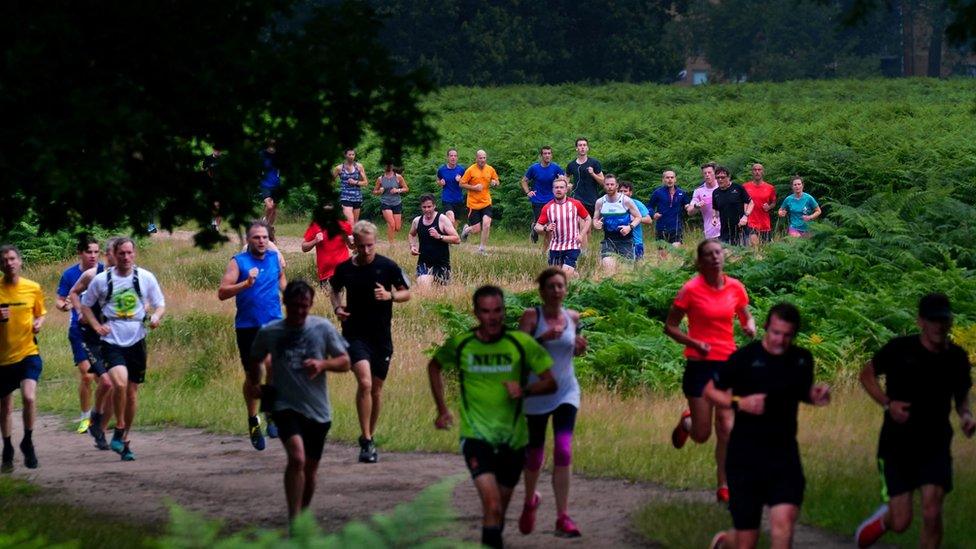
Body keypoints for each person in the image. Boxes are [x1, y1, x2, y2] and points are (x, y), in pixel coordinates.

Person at [428, 285, 556, 549]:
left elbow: (551, 382)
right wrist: (442, 408)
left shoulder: (521, 344)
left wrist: (525, 390)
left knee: (498, 513)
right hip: (476, 436)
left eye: (497, 310)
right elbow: (434, 366)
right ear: (476, 313)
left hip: (514, 439)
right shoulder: (462, 344)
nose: (493, 317)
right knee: (492, 504)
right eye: (486, 312)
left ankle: (493, 534)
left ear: (504, 312)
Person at [703, 303, 831, 549]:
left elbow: (802, 391)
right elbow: (710, 391)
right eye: (775, 333)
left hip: (783, 455)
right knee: (746, 541)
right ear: (765, 328)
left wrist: (815, 395)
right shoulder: (745, 358)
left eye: (787, 335)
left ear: (794, 335)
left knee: (784, 525)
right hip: (745, 457)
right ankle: (725, 542)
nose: (779, 340)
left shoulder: (802, 359)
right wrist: (739, 402)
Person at [854, 293, 974, 548]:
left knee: (932, 513)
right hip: (897, 445)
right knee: (901, 521)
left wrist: (966, 416)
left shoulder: (957, 358)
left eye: (943, 320)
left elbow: (962, 395)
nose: (939, 326)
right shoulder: (900, 349)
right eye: (933, 320)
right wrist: (888, 403)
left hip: (936, 445)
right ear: (921, 321)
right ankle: (880, 522)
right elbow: (866, 374)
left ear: (950, 322)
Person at [246, 280, 351, 522]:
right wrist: (256, 383)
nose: (300, 311)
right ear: (285, 304)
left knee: (310, 471)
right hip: (284, 406)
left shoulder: (322, 328)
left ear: (311, 304)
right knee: (297, 458)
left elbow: (345, 362)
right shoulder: (270, 332)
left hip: (318, 410)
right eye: (294, 306)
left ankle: (302, 516)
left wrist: (323, 364)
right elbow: (255, 359)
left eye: (304, 306)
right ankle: (294, 520)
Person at [664, 239, 756, 503]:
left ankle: (724, 485)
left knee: (727, 427)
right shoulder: (690, 290)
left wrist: (750, 326)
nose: (715, 257)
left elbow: (745, 314)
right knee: (702, 435)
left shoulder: (735, 287)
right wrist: (694, 343)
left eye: (718, 253)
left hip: (728, 365)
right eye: (709, 254)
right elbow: (670, 327)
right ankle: (688, 422)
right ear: (700, 262)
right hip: (700, 365)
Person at [330, 221, 410, 463]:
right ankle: (365, 439)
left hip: (381, 337)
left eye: (371, 246)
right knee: (364, 383)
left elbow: (406, 292)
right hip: (354, 333)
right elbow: (334, 290)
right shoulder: (344, 268)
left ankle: (370, 436)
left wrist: (390, 296)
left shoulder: (387, 266)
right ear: (354, 243)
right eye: (362, 246)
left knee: (375, 389)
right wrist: (337, 307)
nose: (366, 251)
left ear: (376, 243)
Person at [80, 238, 166, 461]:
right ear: (114, 255)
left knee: (132, 392)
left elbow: (160, 303)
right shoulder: (101, 280)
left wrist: (155, 316)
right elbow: (86, 305)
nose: (126, 258)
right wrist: (97, 325)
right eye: (121, 254)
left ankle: (124, 438)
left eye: (129, 253)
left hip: (137, 339)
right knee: (119, 383)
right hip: (112, 340)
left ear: (134, 254)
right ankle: (117, 427)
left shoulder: (145, 277)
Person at [517, 268, 588, 538]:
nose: (557, 291)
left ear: (566, 289)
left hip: (566, 391)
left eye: (561, 286)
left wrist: (580, 348)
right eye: (551, 286)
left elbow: (574, 351)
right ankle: (529, 501)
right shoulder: (531, 317)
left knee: (564, 449)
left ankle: (562, 516)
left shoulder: (573, 318)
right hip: (536, 393)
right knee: (535, 454)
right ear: (542, 291)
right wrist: (540, 339)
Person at [218, 220, 287, 451]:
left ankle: (270, 412)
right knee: (254, 377)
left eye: (265, 238)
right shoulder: (239, 262)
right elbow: (222, 292)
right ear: (248, 239)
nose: (261, 241)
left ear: (270, 240)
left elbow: (282, 282)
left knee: (273, 365)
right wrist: (245, 284)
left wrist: (292, 296)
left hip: (273, 323)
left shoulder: (274, 258)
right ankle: (252, 419)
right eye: (256, 237)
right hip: (248, 327)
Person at [68, 236, 120, 451]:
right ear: (108, 255)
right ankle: (93, 419)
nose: (118, 258)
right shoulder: (92, 274)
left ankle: (100, 429)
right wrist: (81, 312)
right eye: (114, 254)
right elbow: (73, 292)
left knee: (115, 385)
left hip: (113, 338)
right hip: (89, 337)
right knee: (105, 383)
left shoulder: (128, 277)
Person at [0, 244, 46, 471]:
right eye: (4, 260)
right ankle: (7, 448)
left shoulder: (33, 288)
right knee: (5, 405)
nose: (9, 263)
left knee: (29, 397)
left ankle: (28, 441)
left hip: (28, 352)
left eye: (12, 259)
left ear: (19, 261)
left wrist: (38, 323)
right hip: (2, 359)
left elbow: (40, 314)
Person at [56, 235, 104, 434]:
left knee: (103, 378)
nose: (93, 256)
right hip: (78, 331)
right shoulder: (69, 275)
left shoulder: (104, 271)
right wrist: (65, 306)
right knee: (86, 375)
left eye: (96, 252)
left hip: (102, 330)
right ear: (80, 253)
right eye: (88, 252)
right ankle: (85, 418)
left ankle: (100, 415)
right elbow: (59, 301)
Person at [534, 176, 591, 276]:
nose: (559, 190)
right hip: (555, 247)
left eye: (561, 187)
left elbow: (588, 219)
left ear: (566, 189)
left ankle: (572, 276)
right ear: (552, 190)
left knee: (565, 274)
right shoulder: (548, 207)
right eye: (556, 188)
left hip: (572, 245)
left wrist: (581, 235)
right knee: (556, 276)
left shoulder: (575, 204)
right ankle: (577, 278)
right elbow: (537, 226)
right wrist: (545, 228)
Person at [591, 174, 642, 273]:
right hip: (608, 240)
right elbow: (595, 218)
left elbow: (638, 217)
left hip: (626, 240)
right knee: (608, 269)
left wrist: (629, 227)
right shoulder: (600, 202)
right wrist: (596, 224)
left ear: (616, 186)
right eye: (607, 184)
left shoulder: (626, 200)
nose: (609, 186)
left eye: (612, 184)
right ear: (604, 186)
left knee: (626, 273)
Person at [408, 194, 460, 287]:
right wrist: (413, 246)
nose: (427, 209)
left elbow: (457, 239)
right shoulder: (417, 221)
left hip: (441, 265)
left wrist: (440, 236)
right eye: (424, 207)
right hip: (424, 263)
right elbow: (411, 234)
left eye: (429, 207)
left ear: (434, 206)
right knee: (424, 287)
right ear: (421, 207)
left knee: (440, 291)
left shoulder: (442, 219)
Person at [458, 150, 500, 255]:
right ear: (476, 158)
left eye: (484, 158)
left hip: (486, 202)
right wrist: (474, 187)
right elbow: (461, 184)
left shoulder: (490, 169)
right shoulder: (471, 170)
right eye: (480, 158)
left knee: (486, 224)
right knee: (476, 229)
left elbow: (497, 180)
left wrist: (495, 183)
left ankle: (481, 249)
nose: (482, 160)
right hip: (473, 204)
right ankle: (466, 230)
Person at [520, 146, 565, 244]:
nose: (547, 155)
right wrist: (528, 192)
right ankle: (534, 229)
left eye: (549, 153)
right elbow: (524, 181)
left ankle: (549, 245)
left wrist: (563, 180)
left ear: (551, 155)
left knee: (551, 222)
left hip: (552, 199)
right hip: (538, 199)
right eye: (545, 153)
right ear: (541, 156)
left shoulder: (556, 168)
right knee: (539, 222)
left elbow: (564, 181)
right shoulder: (534, 168)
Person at [301, 211, 353, 289]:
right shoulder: (316, 225)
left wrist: (347, 239)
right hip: (325, 274)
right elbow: (304, 247)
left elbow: (352, 246)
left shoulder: (344, 224)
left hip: (343, 272)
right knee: (327, 299)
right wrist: (315, 241)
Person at [711, 166, 753, 246]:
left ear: (729, 177)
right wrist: (714, 218)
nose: (720, 180)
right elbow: (715, 208)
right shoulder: (715, 193)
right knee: (727, 256)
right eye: (718, 178)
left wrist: (746, 216)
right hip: (725, 232)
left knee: (743, 255)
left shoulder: (738, 188)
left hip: (741, 229)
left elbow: (751, 203)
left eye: (723, 177)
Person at [648, 170, 691, 247]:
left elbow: (687, 205)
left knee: (675, 252)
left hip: (676, 228)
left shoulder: (681, 193)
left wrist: (692, 207)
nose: (670, 179)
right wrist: (653, 214)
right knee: (662, 256)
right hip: (661, 228)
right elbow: (649, 207)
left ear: (675, 179)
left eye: (672, 177)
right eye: (667, 177)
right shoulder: (657, 193)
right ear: (663, 179)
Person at [565, 137, 604, 219]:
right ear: (576, 148)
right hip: (577, 199)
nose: (582, 147)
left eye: (584, 145)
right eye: (580, 145)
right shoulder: (571, 165)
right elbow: (566, 179)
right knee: (580, 225)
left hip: (591, 199)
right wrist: (566, 185)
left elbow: (603, 182)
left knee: (590, 227)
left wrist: (593, 174)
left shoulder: (594, 163)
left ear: (587, 148)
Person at [373, 164, 409, 246]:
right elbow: (374, 191)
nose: (388, 167)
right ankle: (392, 245)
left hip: (397, 203)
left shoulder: (398, 177)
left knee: (397, 228)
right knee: (391, 224)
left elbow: (406, 188)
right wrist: (379, 191)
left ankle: (393, 226)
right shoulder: (380, 179)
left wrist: (398, 190)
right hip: (385, 203)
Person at [742, 163, 776, 246]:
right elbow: (741, 202)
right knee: (755, 247)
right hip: (750, 222)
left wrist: (769, 207)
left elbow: (774, 202)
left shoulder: (770, 188)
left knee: (765, 250)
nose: (757, 172)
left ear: (763, 172)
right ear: (752, 172)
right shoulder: (745, 187)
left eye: (759, 170)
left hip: (765, 223)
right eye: (755, 170)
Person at [618, 181, 652, 260]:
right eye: (620, 191)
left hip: (636, 241)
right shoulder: (614, 204)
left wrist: (637, 219)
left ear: (630, 193)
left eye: (625, 191)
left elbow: (649, 220)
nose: (622, 193)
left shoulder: (637, 204)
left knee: (638, 267)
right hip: (618, 241)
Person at [332, 148, 368, 224]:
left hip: (357, 197)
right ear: (345, 155)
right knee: (350, 221)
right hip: (345, 197)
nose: (351, 156)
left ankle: (348, 235)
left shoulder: (359, 167)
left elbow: (365, 183)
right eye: (349, 154)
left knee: (355, 223)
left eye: (353, 154)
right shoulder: (339, 168)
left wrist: (355, 182)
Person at [686, 163, 721, 240]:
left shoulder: (722, 186)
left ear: (715, 173)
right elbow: (689, 212)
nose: (707, 175)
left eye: (709, 172)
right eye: (705, 173)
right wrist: (696, 207)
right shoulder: (699, 191)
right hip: (711, 231)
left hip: (727, 230)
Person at [436, 148, 466, 226]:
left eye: (455, 156)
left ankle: (453, 237)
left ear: (457, 158)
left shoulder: (461, 170)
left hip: (458, 199)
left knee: (455, 223)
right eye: (451, 156)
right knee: (451, 219)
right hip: (447, 199)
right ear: (447, 157)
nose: (453, 157)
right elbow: (438, 180)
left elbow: (466, 183)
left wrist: (461, 180)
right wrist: (440, 183)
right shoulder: (441, 170)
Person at [259, 139, 281, 232]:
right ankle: (265, 221)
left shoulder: (278, 155)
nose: (272, 148)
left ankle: (269, 226)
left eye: (274, 145)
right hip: (265, 184)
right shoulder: (262, 154)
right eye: (270, 145)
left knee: (274, 208)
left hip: (276, 184)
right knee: (269, 206)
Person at [202, 148, 223, 231]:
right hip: (211, 185)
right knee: (213, 205)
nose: (218, 151)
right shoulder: (208, 158)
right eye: (216, 149)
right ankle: (213, 222)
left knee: (220, 206)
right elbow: (203, 170)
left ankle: (216, 226)